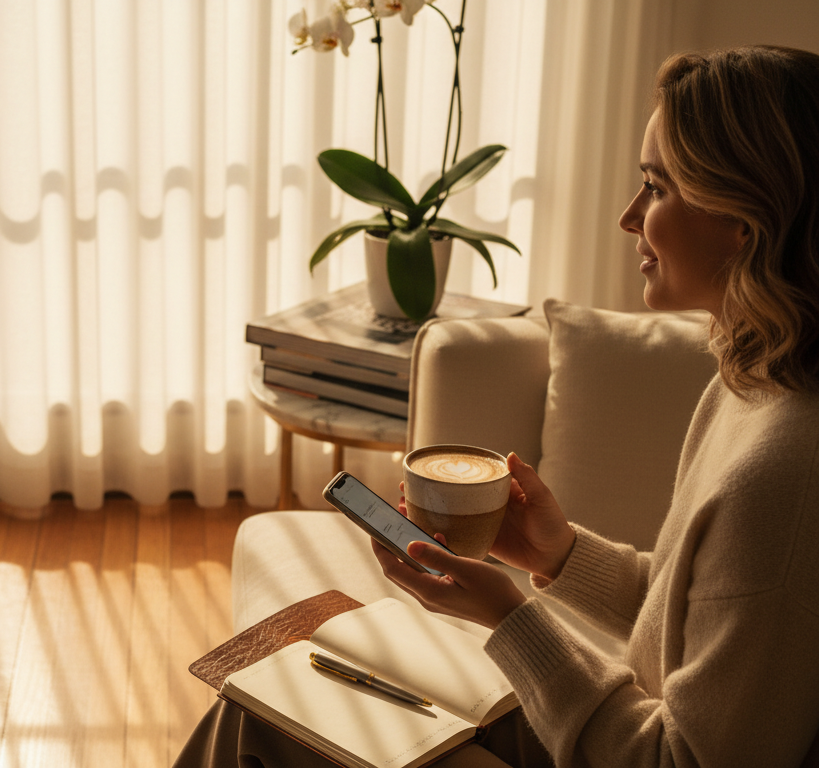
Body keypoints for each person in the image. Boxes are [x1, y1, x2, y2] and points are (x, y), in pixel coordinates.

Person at [175, 45, 819, 767]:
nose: (628, 216)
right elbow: (691, 623)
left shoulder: (785, 472)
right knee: (273, 695)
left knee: (270, 725)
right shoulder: (752, 381)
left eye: (657, 187)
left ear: (745, 218)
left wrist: (508, 617)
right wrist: (559, 554)